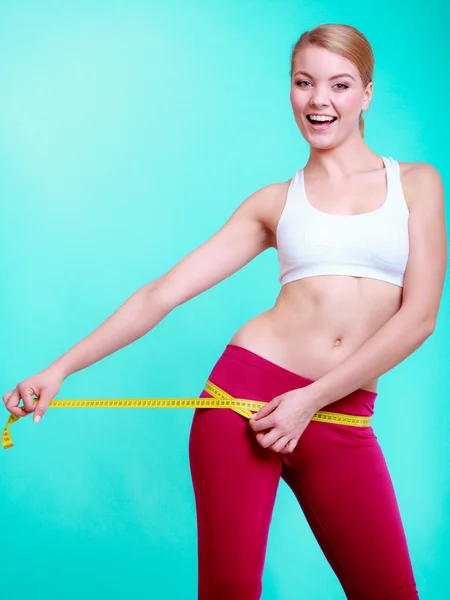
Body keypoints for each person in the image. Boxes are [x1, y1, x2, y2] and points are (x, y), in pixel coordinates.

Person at [2, 22, 447, 600]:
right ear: (290, 90)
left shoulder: (416, 185)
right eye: (303, 83)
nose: (319, 100)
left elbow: (420, 318)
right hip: (247, 402)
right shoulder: (274, 204)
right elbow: (161, 293)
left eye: (339, 85)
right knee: (230, 590)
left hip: (337, 412)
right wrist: (58, 369)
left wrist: (310, 401)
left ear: (366, 93)